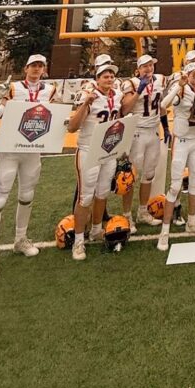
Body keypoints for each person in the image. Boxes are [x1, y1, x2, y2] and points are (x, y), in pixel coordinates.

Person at [0, 55, 58, 282]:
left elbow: (56, 116)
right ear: (25, 68)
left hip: (33, 150)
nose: (36, 69)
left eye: (40, 66)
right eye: (33, 65)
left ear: (44, 69)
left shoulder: (50, 90)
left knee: (27, 195)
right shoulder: (14, 88)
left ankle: (20, 239)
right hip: (11, 149)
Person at [67, 63, 126, 261]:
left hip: (108, 150)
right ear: (97, 78)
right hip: (88, 150)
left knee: (102, 193)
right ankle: (78, 241)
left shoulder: (117, 95)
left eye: (111, 76)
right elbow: (72, 127)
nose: (109, 79)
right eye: (105, 76)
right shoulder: (88, 95)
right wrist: (86, 104)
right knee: (85, 197)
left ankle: (96, 229)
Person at [158, 62, 195, 251]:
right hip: (181, 141)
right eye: (193, 72)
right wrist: (178, 85)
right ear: (186, 75)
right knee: (175, 186)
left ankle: (192, 222)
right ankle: (164, 232)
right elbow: (163, 105)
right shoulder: (181, 89)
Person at [120, 55, 171, 231]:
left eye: (150, 65)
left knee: (149, 174)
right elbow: (125, 109)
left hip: (153, 132)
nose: (149, 69)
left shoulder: (160, 80)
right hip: (137, 132)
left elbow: (161, 107)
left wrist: (166, 126)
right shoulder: (132, 83)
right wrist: (139, 91)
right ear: (138, 69)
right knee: (130, 177)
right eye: (145, 66)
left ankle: (142, 211)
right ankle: (127, 215)